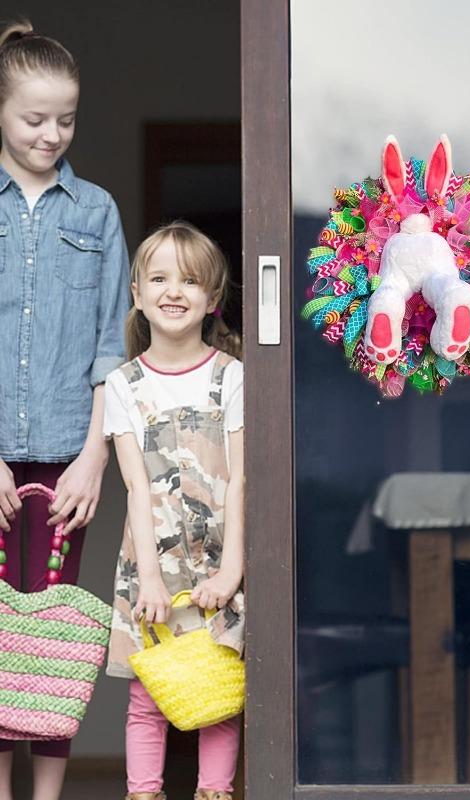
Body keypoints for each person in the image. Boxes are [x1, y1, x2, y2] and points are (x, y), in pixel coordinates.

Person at [0, 20, 130, 800]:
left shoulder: (98, 213)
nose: (52, 134)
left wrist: (95, 457)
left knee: (51, 641)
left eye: (67, 120)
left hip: (65, 459)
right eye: (33, 118)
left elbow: (111, 351)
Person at [104, 221, 244, 800]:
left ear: (212, 300)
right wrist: (153, 581)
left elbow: (240, 481)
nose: (174, 291)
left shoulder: (230, 376)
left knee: (220, 691)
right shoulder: (124, 383)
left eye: (190, 281)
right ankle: (144, 793)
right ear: (137, 293)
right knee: (148, 695)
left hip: (217, 557)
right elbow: (136, 487)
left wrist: (231, 570)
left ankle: (214, 793)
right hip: (153, 563)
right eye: (159, 278)